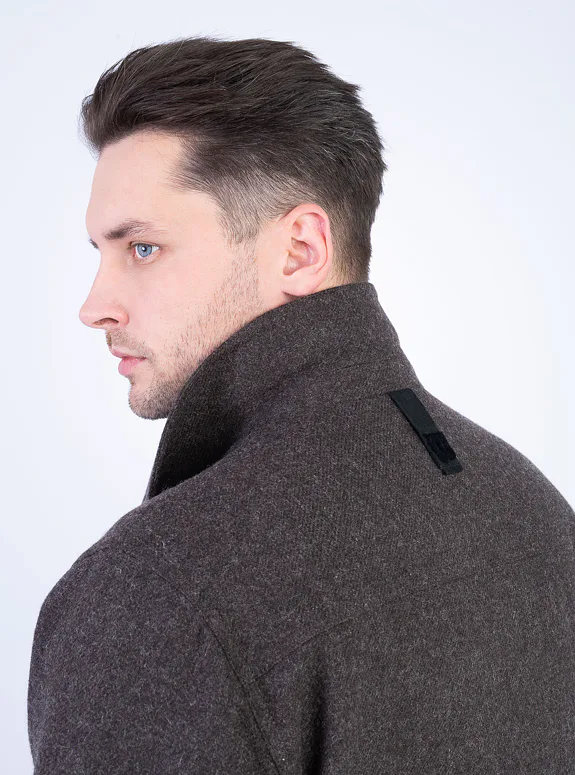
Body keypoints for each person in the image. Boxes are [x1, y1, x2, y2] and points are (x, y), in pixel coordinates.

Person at [27, 36, 575, 773]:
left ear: (299, 250)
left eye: (143, 248)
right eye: (100, 252)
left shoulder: (155, 591)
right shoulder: (532, 507)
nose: (94, 306)